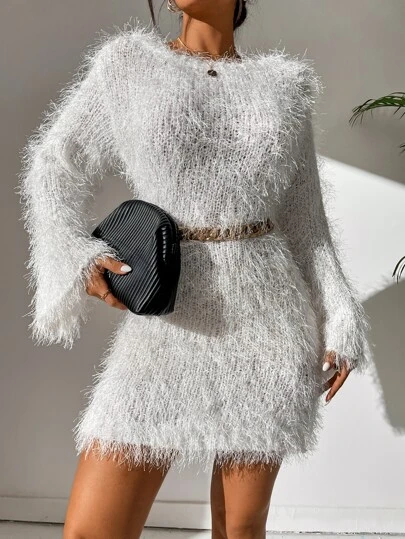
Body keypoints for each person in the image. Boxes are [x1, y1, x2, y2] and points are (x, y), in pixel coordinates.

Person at [18, 1, 372, 537]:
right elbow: (53, 165)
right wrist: (73, 253)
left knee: (239, 529)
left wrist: (341, 316)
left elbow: (307, 224)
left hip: (269, 323)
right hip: (168, 321)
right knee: (91, 531)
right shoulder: (128, 65)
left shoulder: (284, 86)